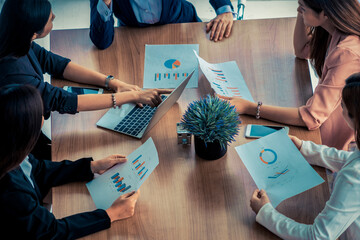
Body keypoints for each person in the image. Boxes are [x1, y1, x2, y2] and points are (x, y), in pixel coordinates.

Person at [0, 0, 171, 159]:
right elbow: (65, 100)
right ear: (34, 33)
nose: (53, 16)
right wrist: (133, 96)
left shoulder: (16, 39)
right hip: (21, 146)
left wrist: (113, 83)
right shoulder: (15, 74)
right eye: (49, 19)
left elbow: (58, 65)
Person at [0, 84, 140, 239]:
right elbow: (51, 231)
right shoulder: (12, 191)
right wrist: (111, 214)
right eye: (41, 114)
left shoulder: (10, 151)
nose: (44, 117)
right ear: (28, 130)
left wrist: (91, 166)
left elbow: (38, 169)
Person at [220, 0, 360, 150]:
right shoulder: (335, 28)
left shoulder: (347, 53)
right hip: (327, 124)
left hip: (336, 145)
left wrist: (249, 108)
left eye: (303, 7)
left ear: (325, 13)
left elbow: (311, 117)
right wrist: (304, 8)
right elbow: (302, 50)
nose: (298, 9)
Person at [250, 72, 360, 239]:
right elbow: (351, 160)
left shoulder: (353, 176)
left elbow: (317, 236)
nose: (339, 108)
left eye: (343, 106)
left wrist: (265, 212)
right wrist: (304, 148)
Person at [90, 0, 235, 49]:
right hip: (134, 38)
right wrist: (105, 2)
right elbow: (101, 42)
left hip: (181, 24)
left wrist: (224, 10)